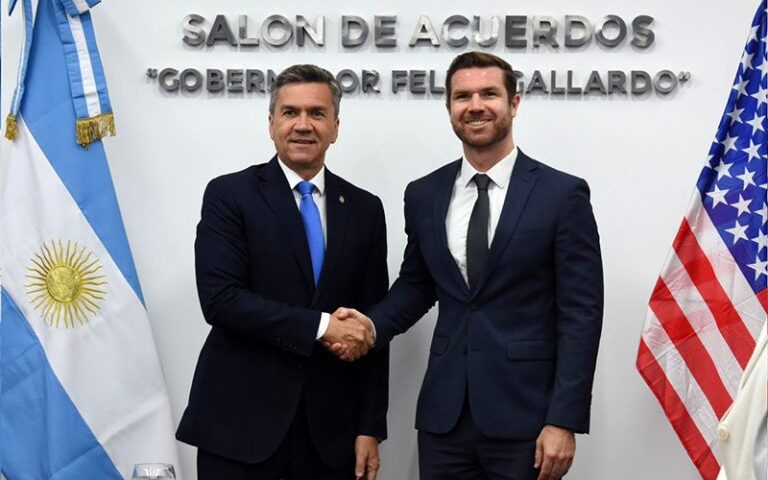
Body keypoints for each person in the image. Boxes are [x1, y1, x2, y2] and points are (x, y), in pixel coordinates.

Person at [333, 52, 603, 480]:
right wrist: (370, 325)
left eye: (489, 94)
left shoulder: (562, 194)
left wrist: (563, 419)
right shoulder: (424, 193)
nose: (475, 106)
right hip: (444, 418)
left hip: (528, 419)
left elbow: (581, 314)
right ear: (449, 108)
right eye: (462, 96)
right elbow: (417, 285)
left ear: (514, 103)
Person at [176, 64, 388, 480]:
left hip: (331, 435)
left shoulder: (365, 208)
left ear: (335, 127)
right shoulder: (229, 195)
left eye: (317, 113)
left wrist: (370, 426)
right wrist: (323, 326)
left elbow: (370, 325)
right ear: (271, 123)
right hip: (239, 428)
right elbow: (221, 301)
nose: (303, 125)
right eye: (290, 112)